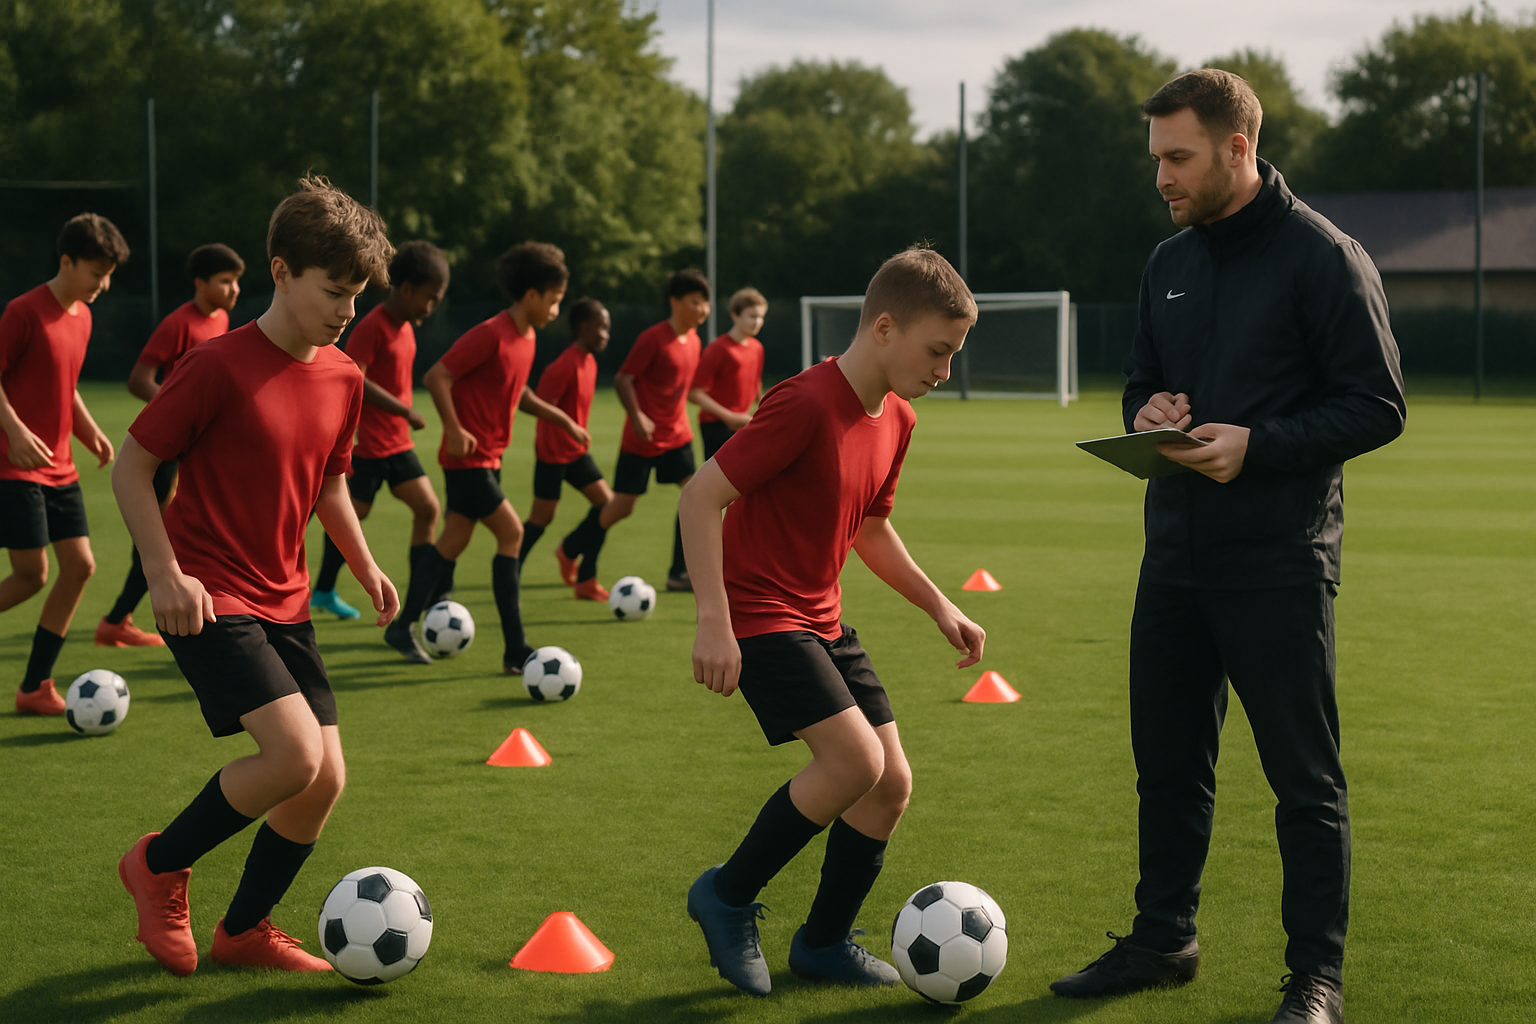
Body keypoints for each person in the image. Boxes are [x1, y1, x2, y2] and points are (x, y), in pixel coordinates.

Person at [1047, 70, 1404, 1024]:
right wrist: (1149, 412)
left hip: (1280, 560)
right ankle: (1163, 939)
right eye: (1156, 157)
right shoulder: (1168, 260)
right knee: (1167, 767)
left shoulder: (1325, 257)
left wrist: (1259, 445)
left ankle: (1316, 978)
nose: (1161, 176)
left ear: (1238, 148)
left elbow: (1377, 406)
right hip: (1173, 558)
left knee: (1304, 780)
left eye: (1179, 157)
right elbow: (1141, 383)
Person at [679, 247, 986, 997]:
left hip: (821, 618)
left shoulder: (899, 418)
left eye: (953, 354)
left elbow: (871, 528)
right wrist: (714, 621)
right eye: (936, 351)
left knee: (890, 784)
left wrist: (939, 603)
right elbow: (700, 496)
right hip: (760, 613)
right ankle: (725, 895)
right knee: (854, 763)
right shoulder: (806, 402)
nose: (945, 370)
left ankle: (821, 945)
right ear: (885, 328)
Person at [114, 175, 398, 975]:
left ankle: (243, 932)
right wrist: (164, 574)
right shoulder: (215, 365)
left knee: (324, 780)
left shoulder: (344, 377)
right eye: (333, 292)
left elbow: (330, 483)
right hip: (208, 593)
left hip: (286, 599)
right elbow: (134, 467)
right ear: (281, 271)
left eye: (356, 296)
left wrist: (366, 563)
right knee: (294, 757)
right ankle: (158, 864)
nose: (347, 311)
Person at [388, 241, 586, 670]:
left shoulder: (527, 337)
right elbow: (437, 376)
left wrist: (562, 420)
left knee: (454, 539)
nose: (556, 310)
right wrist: (454, 429)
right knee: (512, 533)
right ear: (531, 295)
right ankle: (515, 648)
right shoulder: (492, 333)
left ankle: (402, 626)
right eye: (553, 300)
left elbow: (519, 393)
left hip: (489, 460)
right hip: (468, 460)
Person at [2, 213, 126, 714]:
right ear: (67, 261)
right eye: (97, 273)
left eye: (109, 275)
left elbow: (64, 384)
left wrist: (88, 428)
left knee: (80, 567)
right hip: (14, 465)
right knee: (31, 574)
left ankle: (35, 687)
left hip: (60, 466)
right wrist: (14, 431)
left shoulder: (84, 316)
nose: (103, 284)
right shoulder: (24, 312)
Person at [97, 242, 244, 648]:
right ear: (200, 283)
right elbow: (139, 379)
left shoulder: (222, 319)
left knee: (181, 535)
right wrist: (180, 414)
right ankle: (116, 621)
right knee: (163, 539)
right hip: (165, 449)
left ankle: (122, 619)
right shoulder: (179, 323)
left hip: (195, 450)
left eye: (236, 281)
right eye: (225, 281)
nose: (234, 289)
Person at [310, 240, 448, 622]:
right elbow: (355, 378)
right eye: (430, 298)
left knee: (428, 508)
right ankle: (322, 589)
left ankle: (420, 597)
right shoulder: (373, 327)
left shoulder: (406, 329)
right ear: (407, 290)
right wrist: (404, 410)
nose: (431, 307)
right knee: (348, 518)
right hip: (370, 446)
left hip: (397, 444)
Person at [576, 269, 709, 594]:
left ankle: (679, 574)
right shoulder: (653, 338)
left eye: (705, 302)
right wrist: (637, 417)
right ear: (675, 302)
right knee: (622, 506)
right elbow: (623, 379)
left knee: (696, 495)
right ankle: (579, 561)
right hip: (643, 438)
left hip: (677, 435)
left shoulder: (694, 341)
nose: (703, 309)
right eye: (695, 301)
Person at [523, 297, 615, 601]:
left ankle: (582, 571)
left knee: (607, 505)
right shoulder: (564, 365)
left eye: (607, 328)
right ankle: (511, 570)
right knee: (541, 519)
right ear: (583, 328)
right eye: (601, 328)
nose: (606, 334)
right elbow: (538, 406)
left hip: (575, 453)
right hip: (552, 454)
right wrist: (567, 428)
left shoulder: (590, 362)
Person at [689, 287, 766, 461]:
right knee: (718, 478)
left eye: (761, 317)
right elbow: (694, 392)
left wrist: (763, 411)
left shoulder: (757, 348)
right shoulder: (718, 348)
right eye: (752, 316)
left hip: (743, 423)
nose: (757, 322)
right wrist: (729, 416)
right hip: (716, 425)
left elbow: (755, 384)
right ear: (735, 315)